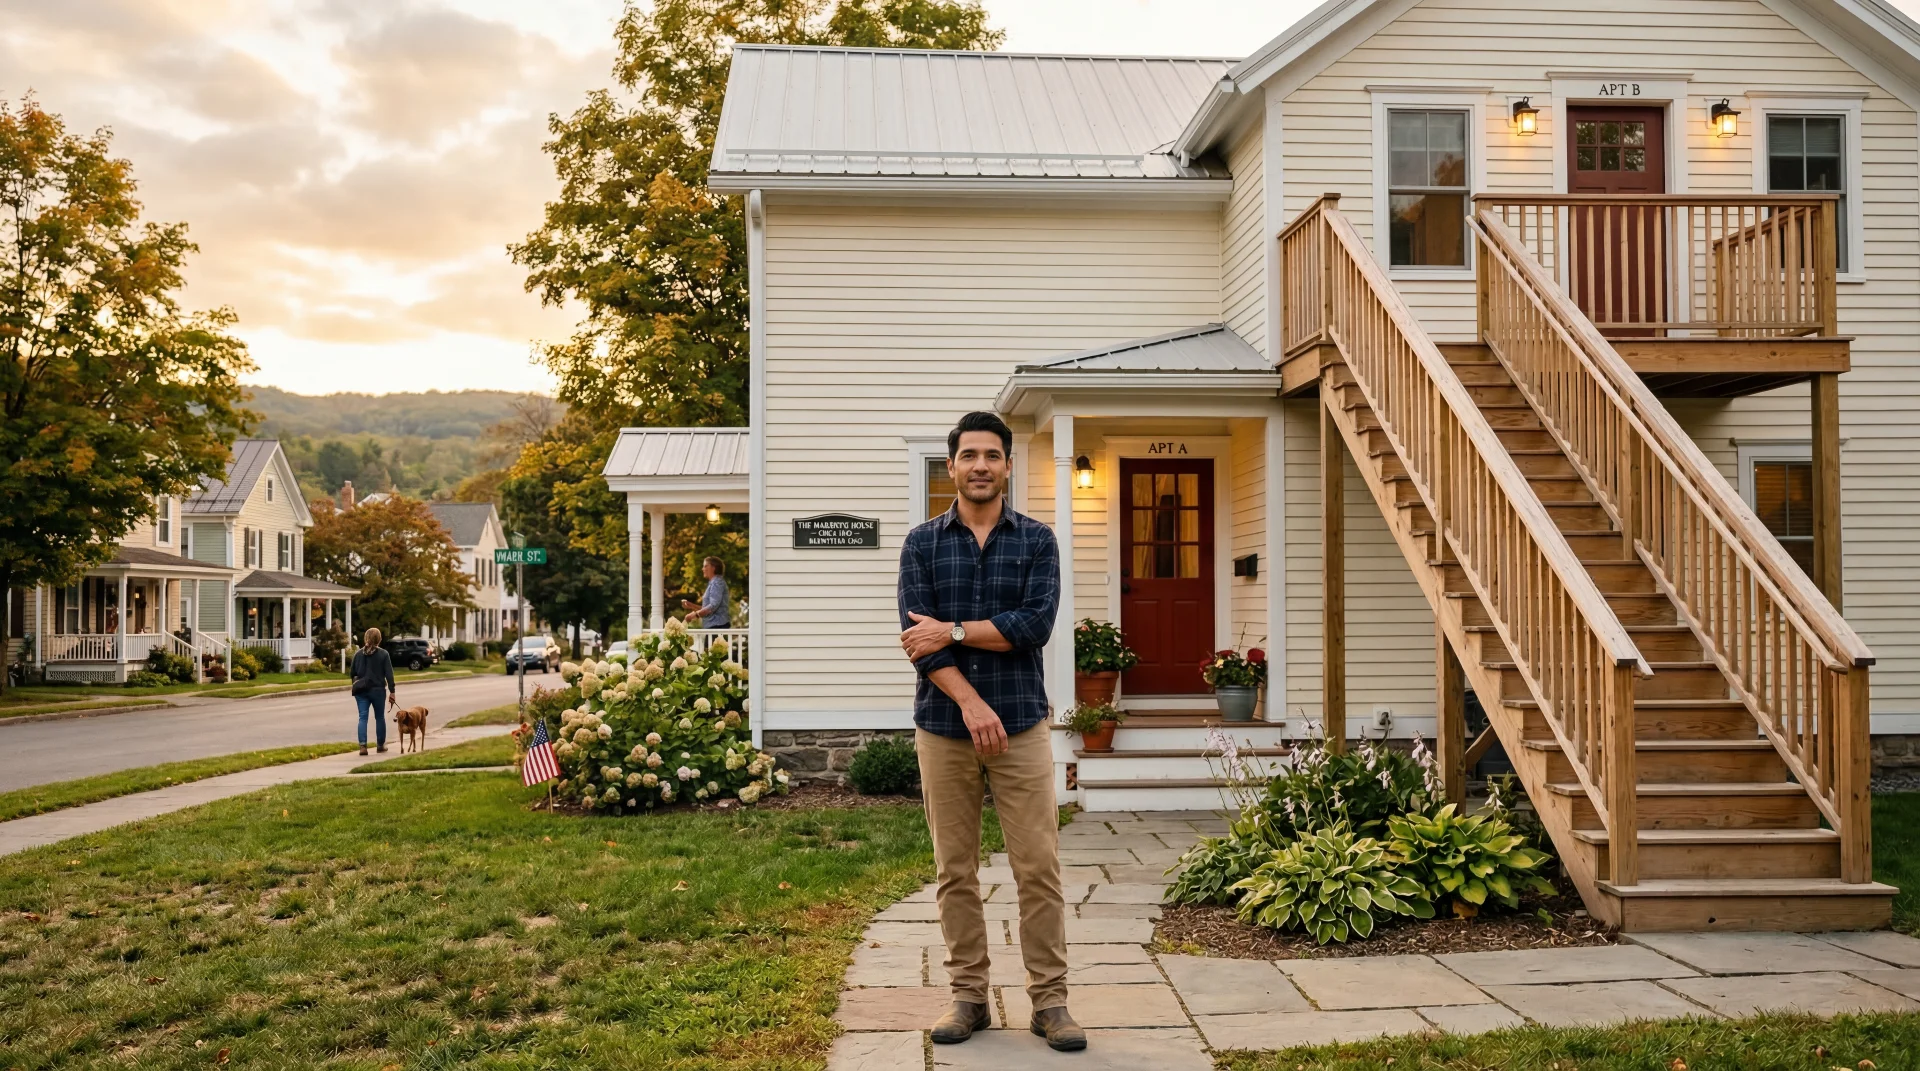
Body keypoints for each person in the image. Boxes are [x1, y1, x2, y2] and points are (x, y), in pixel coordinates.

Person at [897, 411, 1084, 1052]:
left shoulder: (1037, 541)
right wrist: (972, 703)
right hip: (945, 727)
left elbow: (1034, 625)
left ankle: (1050, 1002)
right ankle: (969, 997)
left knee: (1039, 867)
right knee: (956, 871)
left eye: (992, 455)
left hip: (1023, 724)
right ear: (951, 466)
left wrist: (950, 629)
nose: (980, 465)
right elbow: (915, 644)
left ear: (1008, 466)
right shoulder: (922, 544)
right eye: (969, 455)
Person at [350, 627, 396, 756]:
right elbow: (389, 674)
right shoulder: (383, 654)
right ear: (379, 639)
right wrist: (392, 691)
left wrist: (357, 682)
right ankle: (380, 745)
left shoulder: (358, 654)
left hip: (361, 691)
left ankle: (363, 746)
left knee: (362, 717)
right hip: (378, 690)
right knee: (380, 717)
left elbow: (352, 672)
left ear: (366, 638)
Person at [680, 556, 731, 629]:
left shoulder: (717, 582)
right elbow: (708, 609)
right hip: (714, 626)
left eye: (705, 566)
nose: (702, 569)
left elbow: (713, 606)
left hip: (717, 626)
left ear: (714, 568)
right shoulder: (713, 583)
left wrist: (695, 615)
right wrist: (691, 605)